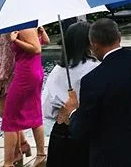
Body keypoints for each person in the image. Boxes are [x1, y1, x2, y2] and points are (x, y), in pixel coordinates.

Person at [63, 18, 131, 167]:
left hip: (113, 157)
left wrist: (73, 111)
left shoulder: (92, 80)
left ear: (93, 44)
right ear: (119, 37)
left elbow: (82, 130)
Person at [42, 22, 99, 167]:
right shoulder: (96, 68)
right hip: (89, 131)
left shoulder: (57, 71)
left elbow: (46, 109)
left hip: (62, 132)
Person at [1, 26, 49, 167]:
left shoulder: (23, 26)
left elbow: (36, 49)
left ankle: (8, 163)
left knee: (9, 118)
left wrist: (15, 41)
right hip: (35, 71)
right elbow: (45, 41)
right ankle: (40, 155)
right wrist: (41, 32)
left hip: (25, 74)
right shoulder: (31, 25)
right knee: (35, 113)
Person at [0, 33, 31, 165]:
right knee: (6, 114)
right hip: (20, 73)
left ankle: (12, 158)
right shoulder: (16, 29)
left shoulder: (7, 31)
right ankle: (22, 144)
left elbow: (7, 60)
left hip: (10, 79)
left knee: (8, 118)